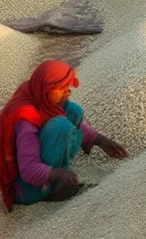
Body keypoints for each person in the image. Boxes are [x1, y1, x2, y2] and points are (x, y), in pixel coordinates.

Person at [0, 60, 128, 210]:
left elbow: (73, 118)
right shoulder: (26, 119)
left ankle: (59, 173)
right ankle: (50, 191)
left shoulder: (38, 93)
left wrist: (99, 140)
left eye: (67, 87)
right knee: (61, 126)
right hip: (25, 188)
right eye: (61, 89)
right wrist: (58, 174)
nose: (68, 92)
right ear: (45, 89)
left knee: (73, 109)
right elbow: (28, 169)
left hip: (40, 167)